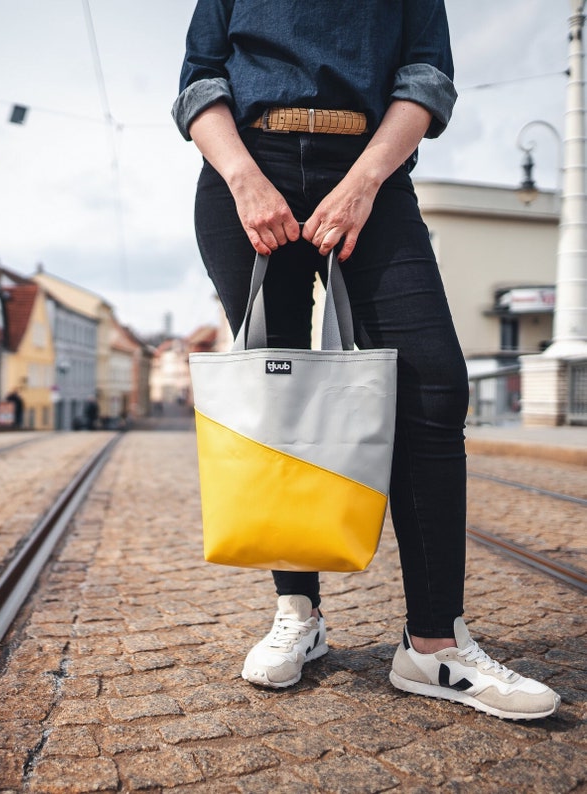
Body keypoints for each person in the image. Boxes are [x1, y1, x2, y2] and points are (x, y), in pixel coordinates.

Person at [173, 1, 560, 720]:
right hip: (247, 177)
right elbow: (201, 81)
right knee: (277, 395)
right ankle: (299, 613)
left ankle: (433, 645)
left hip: (373, 175)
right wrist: (243, 179)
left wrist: (361, 184)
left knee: (434, 386)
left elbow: (426, 77)